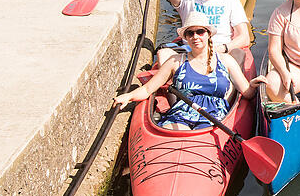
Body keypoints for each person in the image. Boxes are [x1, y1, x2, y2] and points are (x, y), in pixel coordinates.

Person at [113, 11, 265, 128]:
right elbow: (147, 89)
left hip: (216, 118)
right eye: (190, 33)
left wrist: (253, 85)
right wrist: (127, 97)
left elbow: (247, 93)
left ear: (208, 34)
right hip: (181, 115)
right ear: (185, 37)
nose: (195, 36)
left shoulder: (226, 60)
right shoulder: (176, 61)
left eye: (200, 32)